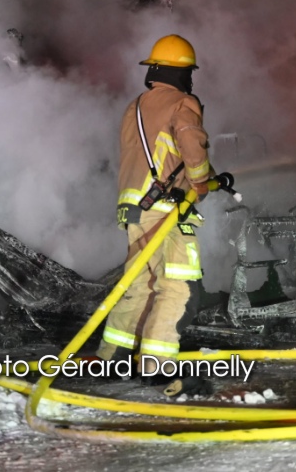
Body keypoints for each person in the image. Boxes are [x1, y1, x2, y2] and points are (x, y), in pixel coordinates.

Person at [96, 35, 212, 397]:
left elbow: (154, 153)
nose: (191, 80)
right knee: (175, 284)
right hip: (165, 208)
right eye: (189, 72)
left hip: (133, 206)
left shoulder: (134, 106)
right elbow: (191, 144)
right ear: (181, 73)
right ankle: (155, 365)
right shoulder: (182, 102)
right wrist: (202, 182)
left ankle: (112, 357)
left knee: (139, 284)